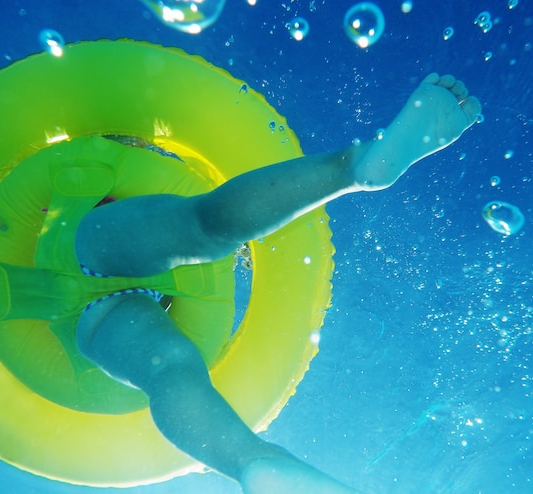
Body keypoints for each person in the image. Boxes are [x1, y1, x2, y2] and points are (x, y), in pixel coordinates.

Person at [74, 73, 481, 493]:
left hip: (89, 293)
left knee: (169, 365)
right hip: (103, 270)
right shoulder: (109, 176)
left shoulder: (79, 166)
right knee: (204, 230)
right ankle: (348, 169)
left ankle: (251, 460)